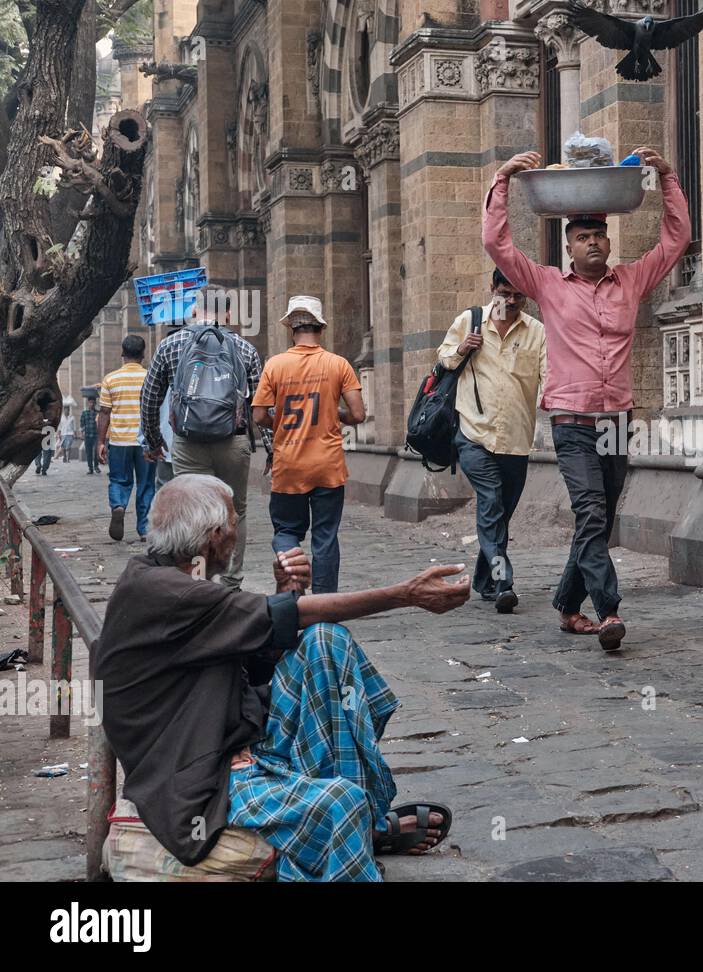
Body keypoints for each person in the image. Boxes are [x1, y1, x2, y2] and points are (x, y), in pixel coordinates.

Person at [94, 475, 471, 881]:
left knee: (326, 643)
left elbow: (252, 648)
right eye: (235, 524)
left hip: (229, 732)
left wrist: (284, 592)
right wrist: (404, 594)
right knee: (339, 803)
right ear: (214, 536)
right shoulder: (169, 592)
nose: (239, 534)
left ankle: (363, 822)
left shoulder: (169, 577)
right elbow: (283, 617)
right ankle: (354, 826)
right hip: (198, 777)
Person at [483, 146, 689, 650]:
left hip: (618, 418)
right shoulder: (548, 284)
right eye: (582, 238)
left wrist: (666, 176)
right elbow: (497, 243)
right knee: (591, 513)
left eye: (599, 235)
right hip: (571, 420)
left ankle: (567, 605)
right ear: (569, 247)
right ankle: (610, 609)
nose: (593, 243)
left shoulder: (632, 280)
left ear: (607, 241)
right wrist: (503, 179)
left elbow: (676, 239)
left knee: (601, 518)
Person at [435, 269, 546, 613]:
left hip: (515, 439)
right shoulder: (470, 320)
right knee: (492, 503)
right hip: (473, 435)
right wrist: (461, 348)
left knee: (498, 513)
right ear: (492, 289)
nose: (510, 301)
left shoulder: (536, 332)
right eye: (504, 293)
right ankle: (502, 582)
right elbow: (443, 358)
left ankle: (483, 581)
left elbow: (548, 376)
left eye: (517, 295)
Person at [141, 307, 273, 589]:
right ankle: (231, 579)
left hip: (189, 443)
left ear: (192, 311)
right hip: (233, 441)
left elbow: (150, 397)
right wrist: (272, 449)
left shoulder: (171, 344)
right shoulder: (244, 348)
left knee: (191, 508)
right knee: (236, 509)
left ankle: (196, 577)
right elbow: (260, 406)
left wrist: (153, 440)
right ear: (228, 312)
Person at [251, 296, 365, 595]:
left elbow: (259, 415)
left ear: (291, 328)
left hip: (288, 466)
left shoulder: (275, 365)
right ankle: (325, 602)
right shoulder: (338, 364)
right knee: (325, 536)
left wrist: (282, 421)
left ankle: (292, 585)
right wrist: (335, 413)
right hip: (328, 467)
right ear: (320, 328)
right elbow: (358, 414)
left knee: (287, 531)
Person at [97, 335, 157, 541]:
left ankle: (119, 505)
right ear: (143, 354)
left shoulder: (110, 379)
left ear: (122, 354)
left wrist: (100, 442)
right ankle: (145, 528)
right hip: (146, 442)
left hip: (119, 441)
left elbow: (104, 413)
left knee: (118, 480)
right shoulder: (151, 377)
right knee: (147, 484)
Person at [80, 392, 101, 474]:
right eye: (90, 402)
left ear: (95, 403)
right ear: (88, 403)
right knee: (88, 452)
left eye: (93, 402)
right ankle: (90, 468)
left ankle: (96, 466)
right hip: (87, 435)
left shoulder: (98, 413)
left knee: (96, 451)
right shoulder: (84, 413)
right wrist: (82, 433)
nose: (91, 404)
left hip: (96, 435)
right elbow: (82, 424)